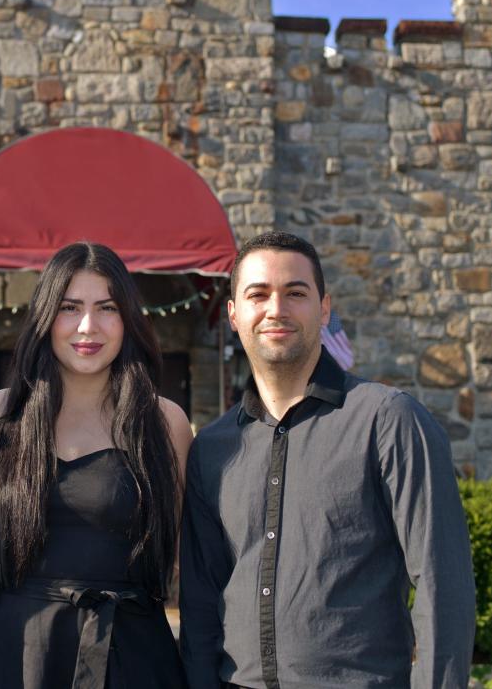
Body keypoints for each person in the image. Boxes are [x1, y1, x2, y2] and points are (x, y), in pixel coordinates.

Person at [180, 231, 475, 689]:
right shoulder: (212, 448)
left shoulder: (388, 420)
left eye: (295, 293)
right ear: (234, 315)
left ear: (323, 308)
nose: (276, 309)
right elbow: (200, 601)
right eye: (258, 294)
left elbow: (442, 584)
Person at [0, 242, 193, 689]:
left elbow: (190, 561)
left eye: (107, 307)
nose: (88, 326)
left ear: (128, 319)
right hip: (9, 654)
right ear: (46, 317)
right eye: (70, 307)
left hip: (130, 655)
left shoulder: (164, 423)